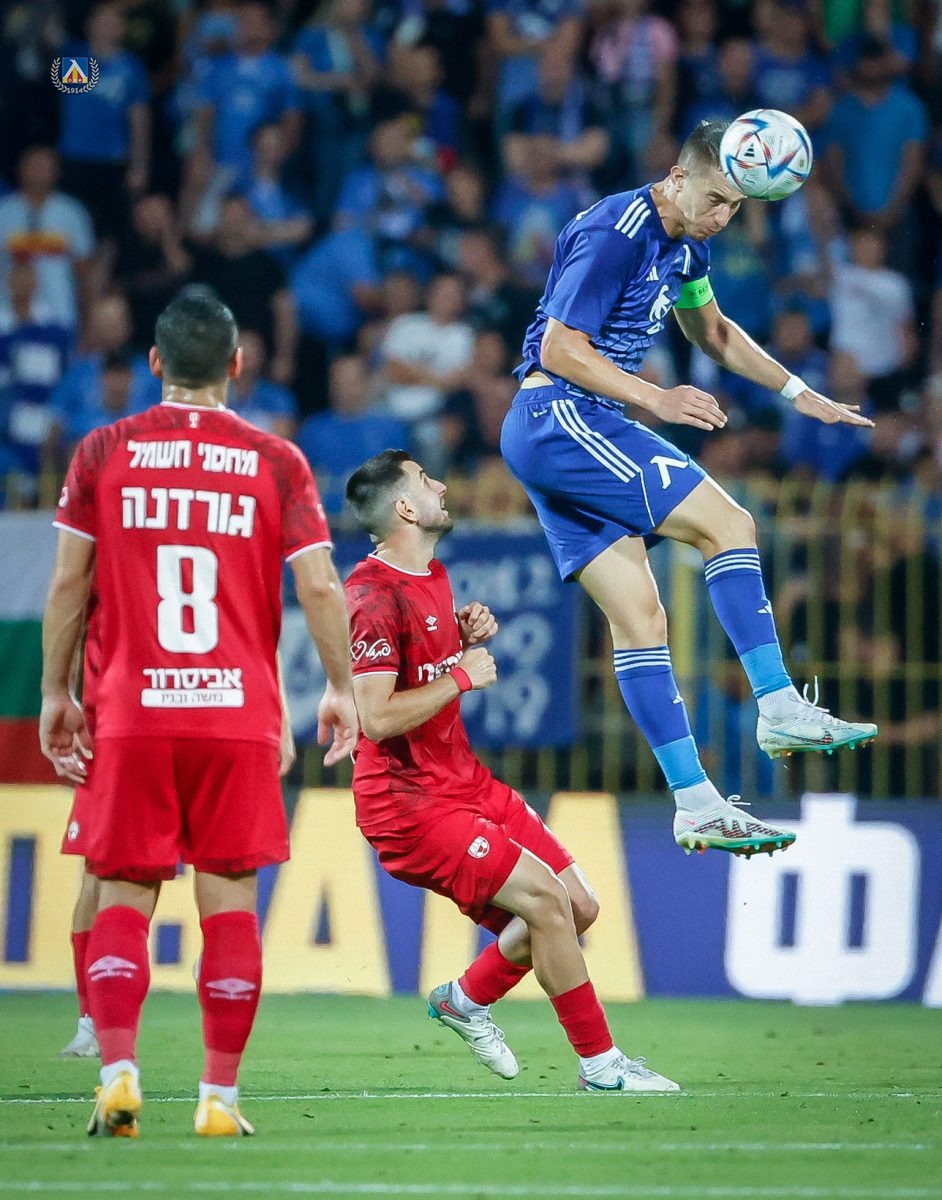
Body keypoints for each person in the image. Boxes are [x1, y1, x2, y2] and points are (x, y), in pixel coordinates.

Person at [499, 119, 879, 858]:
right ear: (677, 177)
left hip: (563, 428)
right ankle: (778, 703)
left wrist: (799, 391)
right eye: (713, 199)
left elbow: (715, 333)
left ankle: (695, 802)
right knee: (730, 524)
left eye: (734, 206)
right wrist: (656, 398)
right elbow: (557, 345)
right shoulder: (617, 232)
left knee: (642, 620)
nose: (721, 216)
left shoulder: (688, 243)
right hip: (562, 414)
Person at [39, 287, 358, 1139]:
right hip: (235, 716)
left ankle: (117, 1074)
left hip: (131, 713)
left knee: (121, 892)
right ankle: (218, 1097)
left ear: (155, 363)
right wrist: (338, 687)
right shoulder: (275, 460)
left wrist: (56, 693)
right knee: (230, 902)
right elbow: (320, 585)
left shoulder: (103, 451)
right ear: (237, 365)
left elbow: (68, 582)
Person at [343, 449, 679, 1094]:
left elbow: (419, 668)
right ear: (405, 507)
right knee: (546, 903)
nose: (443, 485)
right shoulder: (371, 595)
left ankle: (465, 1000)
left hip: (462, 780)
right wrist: (463, 677)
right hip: (408, 803)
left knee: (577, 907)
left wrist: (459, 642)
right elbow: (377, 718)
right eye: (425, 480)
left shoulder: (431, 574)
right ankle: (602, 1067)